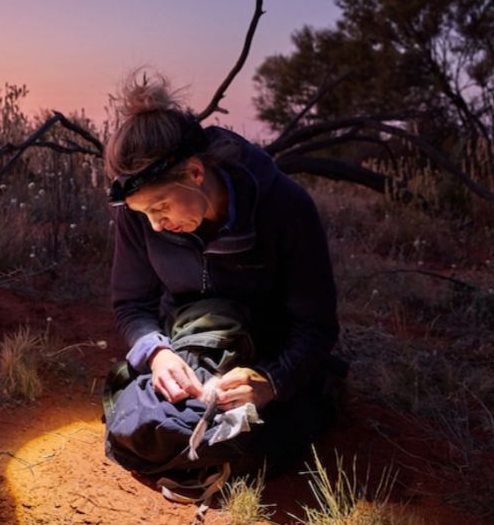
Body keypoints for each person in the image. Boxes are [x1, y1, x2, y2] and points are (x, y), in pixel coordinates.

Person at [102, 72, 347, 488]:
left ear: (195, 173)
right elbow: (132, 305)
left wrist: (271, 382)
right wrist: (158, 354)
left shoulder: (285, 207)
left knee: (256, 446)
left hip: (268, 350)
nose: (156, 226)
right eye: (144, 214)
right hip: (193, 342)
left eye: (161, 206)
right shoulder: (137, 218)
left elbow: (317, 326)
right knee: (139, 428)